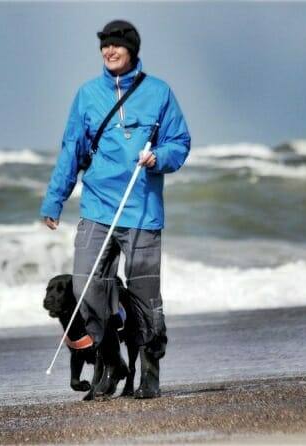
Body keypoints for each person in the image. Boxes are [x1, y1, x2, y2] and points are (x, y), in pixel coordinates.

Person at [40, 19, 190, 399]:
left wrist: (159, 157)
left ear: (131, 49)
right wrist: (55, 200)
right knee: (86, 286)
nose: (109, 51)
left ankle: (150, 370)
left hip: (141, 211)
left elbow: (180, 141)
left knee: (144, 298)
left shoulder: (159, 93)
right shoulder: (88, 95)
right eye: (104, 46)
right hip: (97, 207)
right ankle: (110, 362)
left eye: (116, 45)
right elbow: (72, 149)